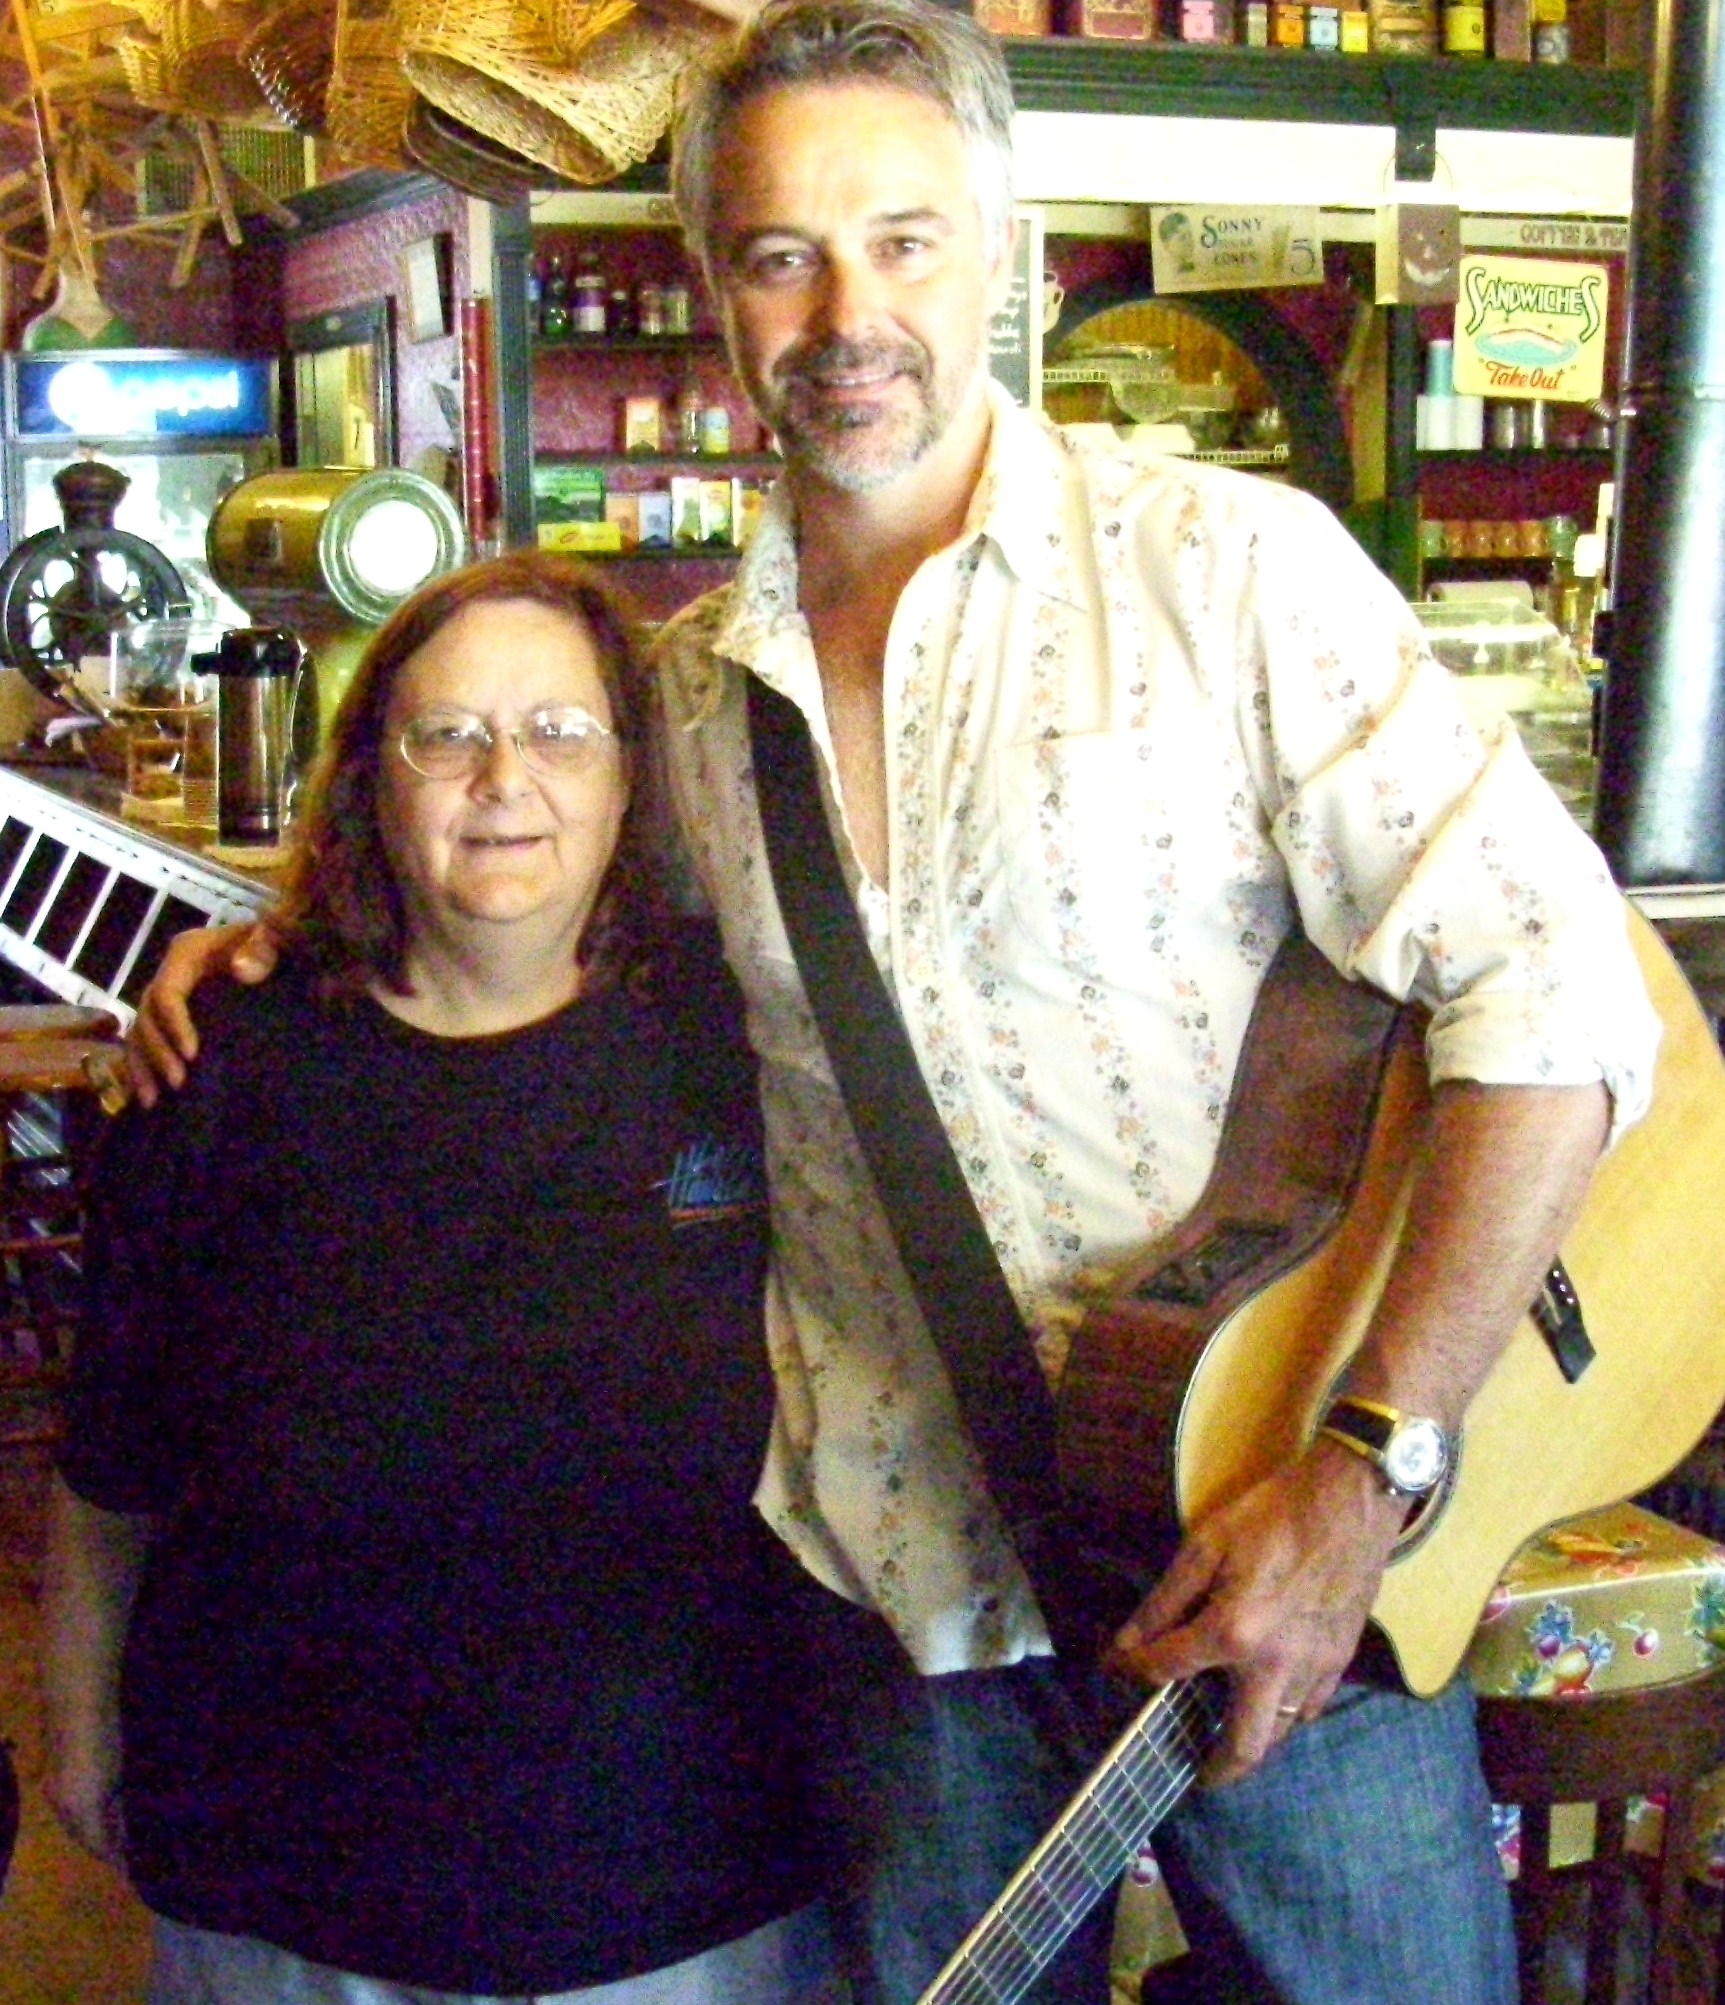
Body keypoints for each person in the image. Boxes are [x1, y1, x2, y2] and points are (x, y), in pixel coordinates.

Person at [129, 5, 1663, 2001]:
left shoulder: (1224, 572)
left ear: (998, 242)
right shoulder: (679, 707)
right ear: (710, 288)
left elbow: (1551, 994)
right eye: (779, 253)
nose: (846, 310)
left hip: (1285, 1558)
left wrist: (1366, 1472)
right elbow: (484, 875)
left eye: (903, 239)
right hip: (905, 1616)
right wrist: (261, 933)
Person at [43, 551, 844, 2005]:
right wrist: (83, 1726)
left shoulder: (745, 1036)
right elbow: (112, 1459)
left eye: (559, 732)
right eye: (447, 734)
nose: (504, 779)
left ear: (629, 783)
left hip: (673, 1887)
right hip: (291, 1887)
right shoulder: (225, 1055)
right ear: (371, 781)